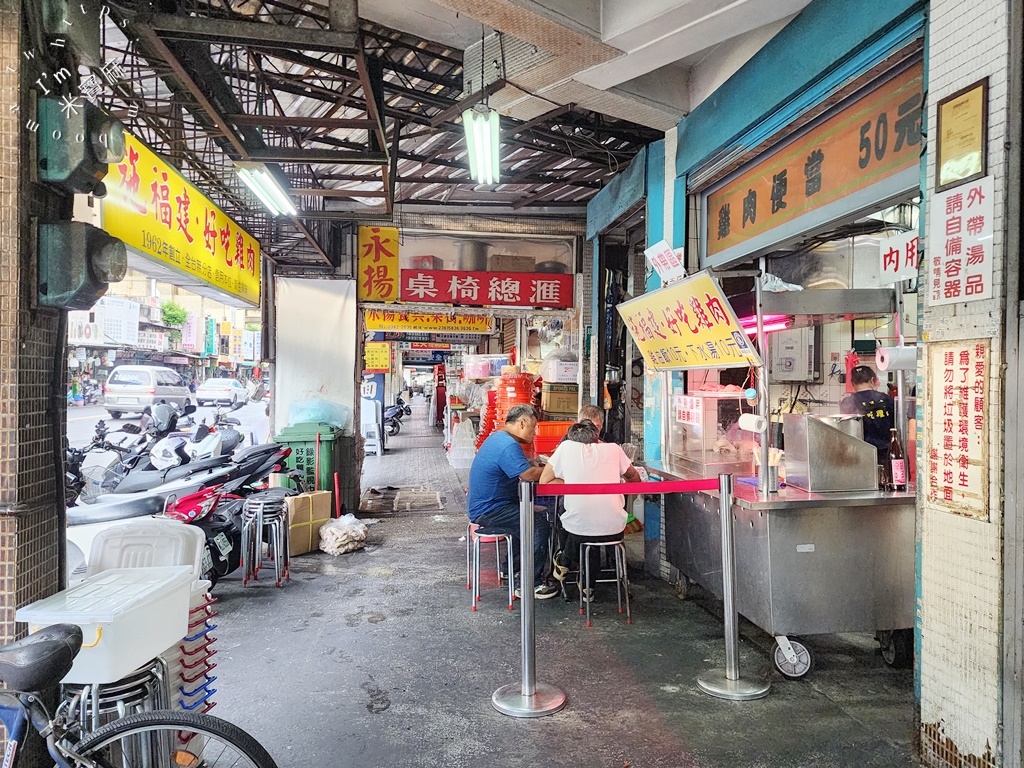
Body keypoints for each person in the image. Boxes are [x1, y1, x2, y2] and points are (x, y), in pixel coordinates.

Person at [539, 420, 641, 602]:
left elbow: (544, 482)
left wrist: (572, 482)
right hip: (614, 530)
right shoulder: (614, 449)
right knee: (592, 528)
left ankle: (564, 560)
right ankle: (588, 586)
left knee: (573, 523)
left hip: (578, 530)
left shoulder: (566, 448)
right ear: (597, 439)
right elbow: (634, 477)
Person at [467, 403, 559, 600]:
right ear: (522, 422)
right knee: (537, 524)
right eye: (533, 428)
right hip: (490, 510)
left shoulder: (500, 439)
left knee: (527, 516)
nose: (534, 433)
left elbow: (519, 467)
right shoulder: (507, 444)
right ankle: (529, 584)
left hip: (491, 506)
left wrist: (531, 464)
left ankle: (511, 568)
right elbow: (527, 475)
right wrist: (557, 469)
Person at [840, 364, 895, 465]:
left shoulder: (847, 402)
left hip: (859, 456)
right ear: (873, 380)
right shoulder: (887, 400)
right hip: (886, 454)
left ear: (852, 383)